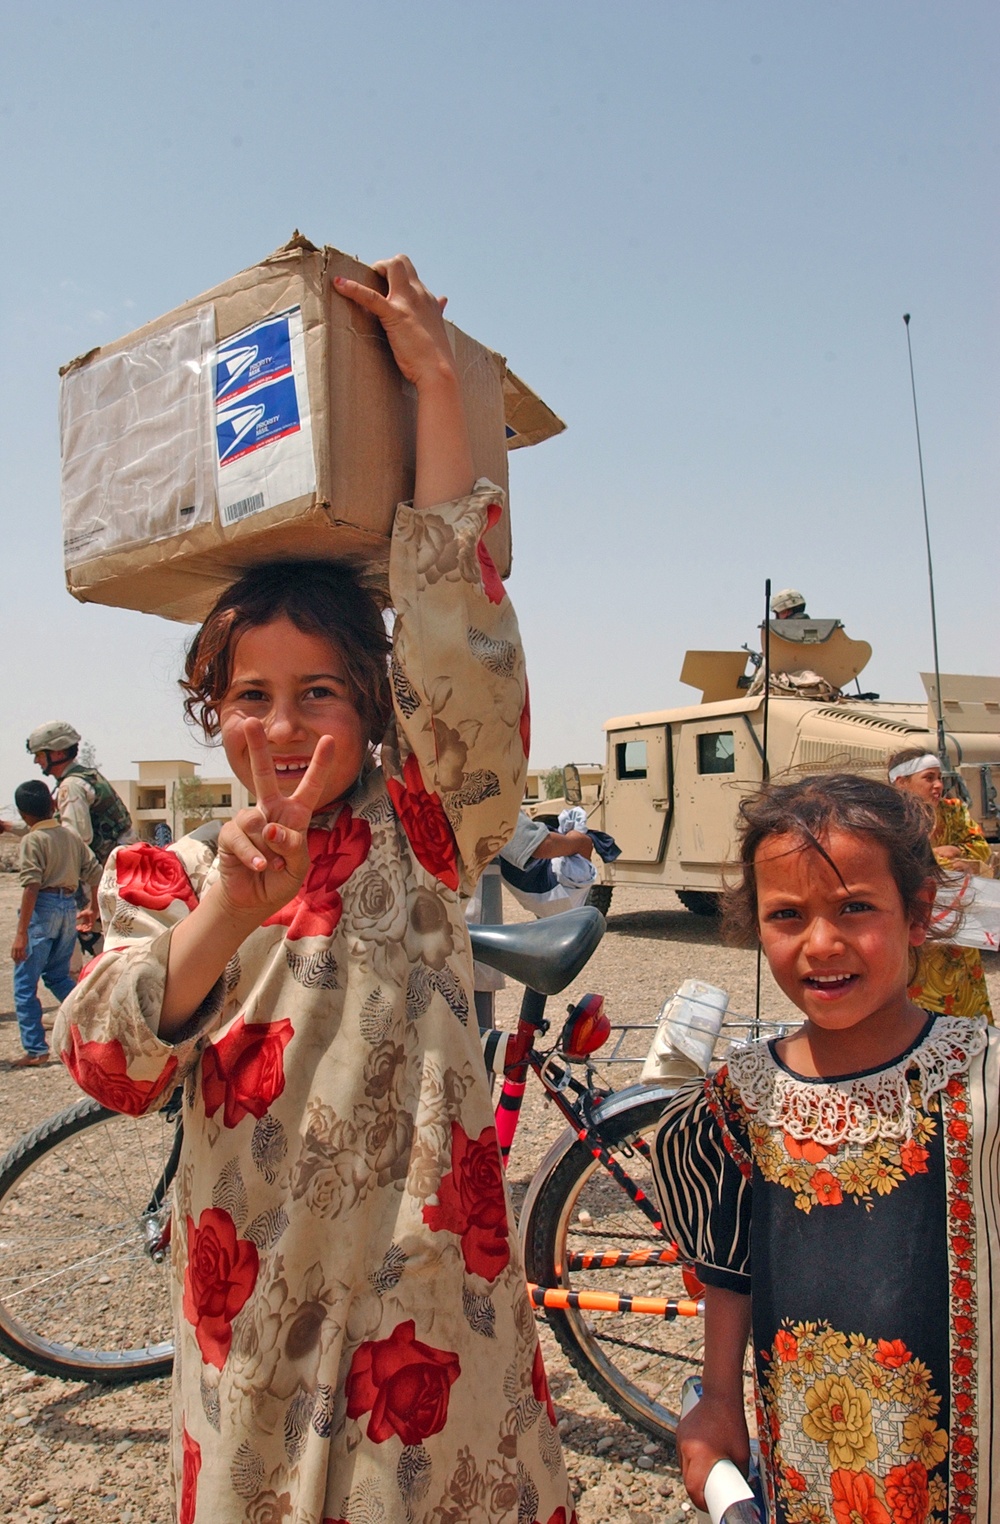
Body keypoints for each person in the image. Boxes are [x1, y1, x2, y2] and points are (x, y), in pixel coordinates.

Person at [54, 257, 573, 1524]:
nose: (282, 729)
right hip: (254, 1323)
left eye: (320, 695)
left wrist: (437, 385)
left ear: (374, 709)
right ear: (211, 714)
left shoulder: (425, 833)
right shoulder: (163, 874)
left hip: (427, 1309)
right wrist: (225, 911)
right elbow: (108, 1064)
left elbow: (461, 631)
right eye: (250, 699)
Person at [651, 773, 998, 1524]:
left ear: (920, 913)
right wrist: (715, 1400)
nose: (822, 943)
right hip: (813, 1479)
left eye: (855, 908)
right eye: (787, 915)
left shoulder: (984, 1082)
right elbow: (728, 1267)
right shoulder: (739, 1103)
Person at [888, 746, 993, 1022]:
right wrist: (939, 856)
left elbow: (981, 850)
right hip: (918, 934)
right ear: (902, 782)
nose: (938, 786)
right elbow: (898, 861)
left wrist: (954, 855)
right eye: (929, 778)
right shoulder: (890, 820)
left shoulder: (953, 811)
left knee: (967, 1009)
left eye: (940, 778)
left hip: (959, 933)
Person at [10, 779, 101, 1067]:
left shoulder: (33, 841)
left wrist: (21, 933)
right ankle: (91, 1026)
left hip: (43, 909)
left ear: (23, 814)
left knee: (25, 984)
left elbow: (31, 887)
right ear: (52, 805)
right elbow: (97, 874)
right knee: (59, 977)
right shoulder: (69, 837)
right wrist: (93, 909)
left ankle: (36, 1049)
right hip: (67, 908)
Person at [20, 721, 133, 865]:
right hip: (119, 865)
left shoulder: (72, 786)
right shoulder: (85, 777)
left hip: (107, 873)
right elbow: (48, 828)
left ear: (58, 753)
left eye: (40, 754)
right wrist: (7, 826)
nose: (36, 761)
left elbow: (77, 840)